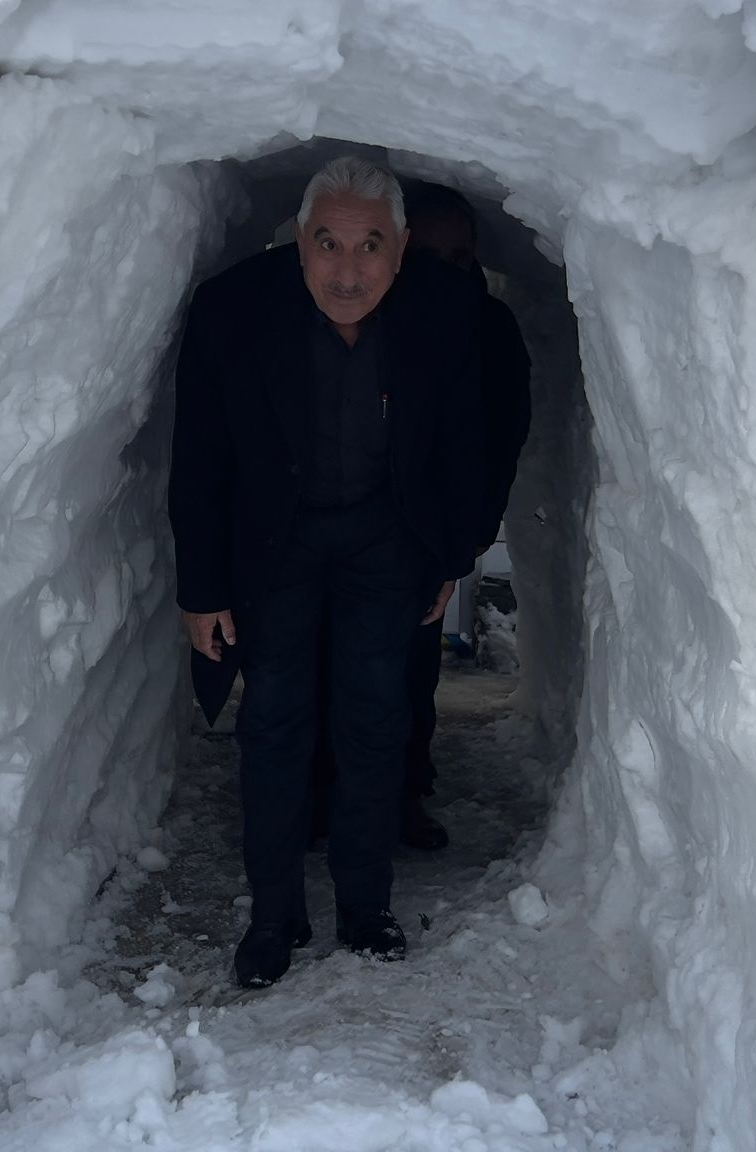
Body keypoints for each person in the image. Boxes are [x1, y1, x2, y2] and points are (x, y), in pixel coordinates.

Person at [168, 157, 487, 989]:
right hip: (277, 543)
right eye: (328, 244)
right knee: (276, 718)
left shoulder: (446, 312)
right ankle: (274, 915)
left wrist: (452, 556)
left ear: (402, 248)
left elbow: (468, 443)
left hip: (385, 539)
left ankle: (365, 904)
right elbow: (198, 458)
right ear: (298, 242)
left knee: (374, 715)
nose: (348, 272)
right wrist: (201, 588)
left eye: (370, 245)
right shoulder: (234, 311)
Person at [308, 181, 533, 851]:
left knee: (407, 672)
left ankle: (402, 792)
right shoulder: (361, 319)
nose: (444, 270)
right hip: (341, 530)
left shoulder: (489, 327)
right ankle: (318, 790)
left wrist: (470, 533)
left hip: (422, 535)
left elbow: (501, 435)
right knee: (320, 662)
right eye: (428, 255)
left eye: (458, 256)